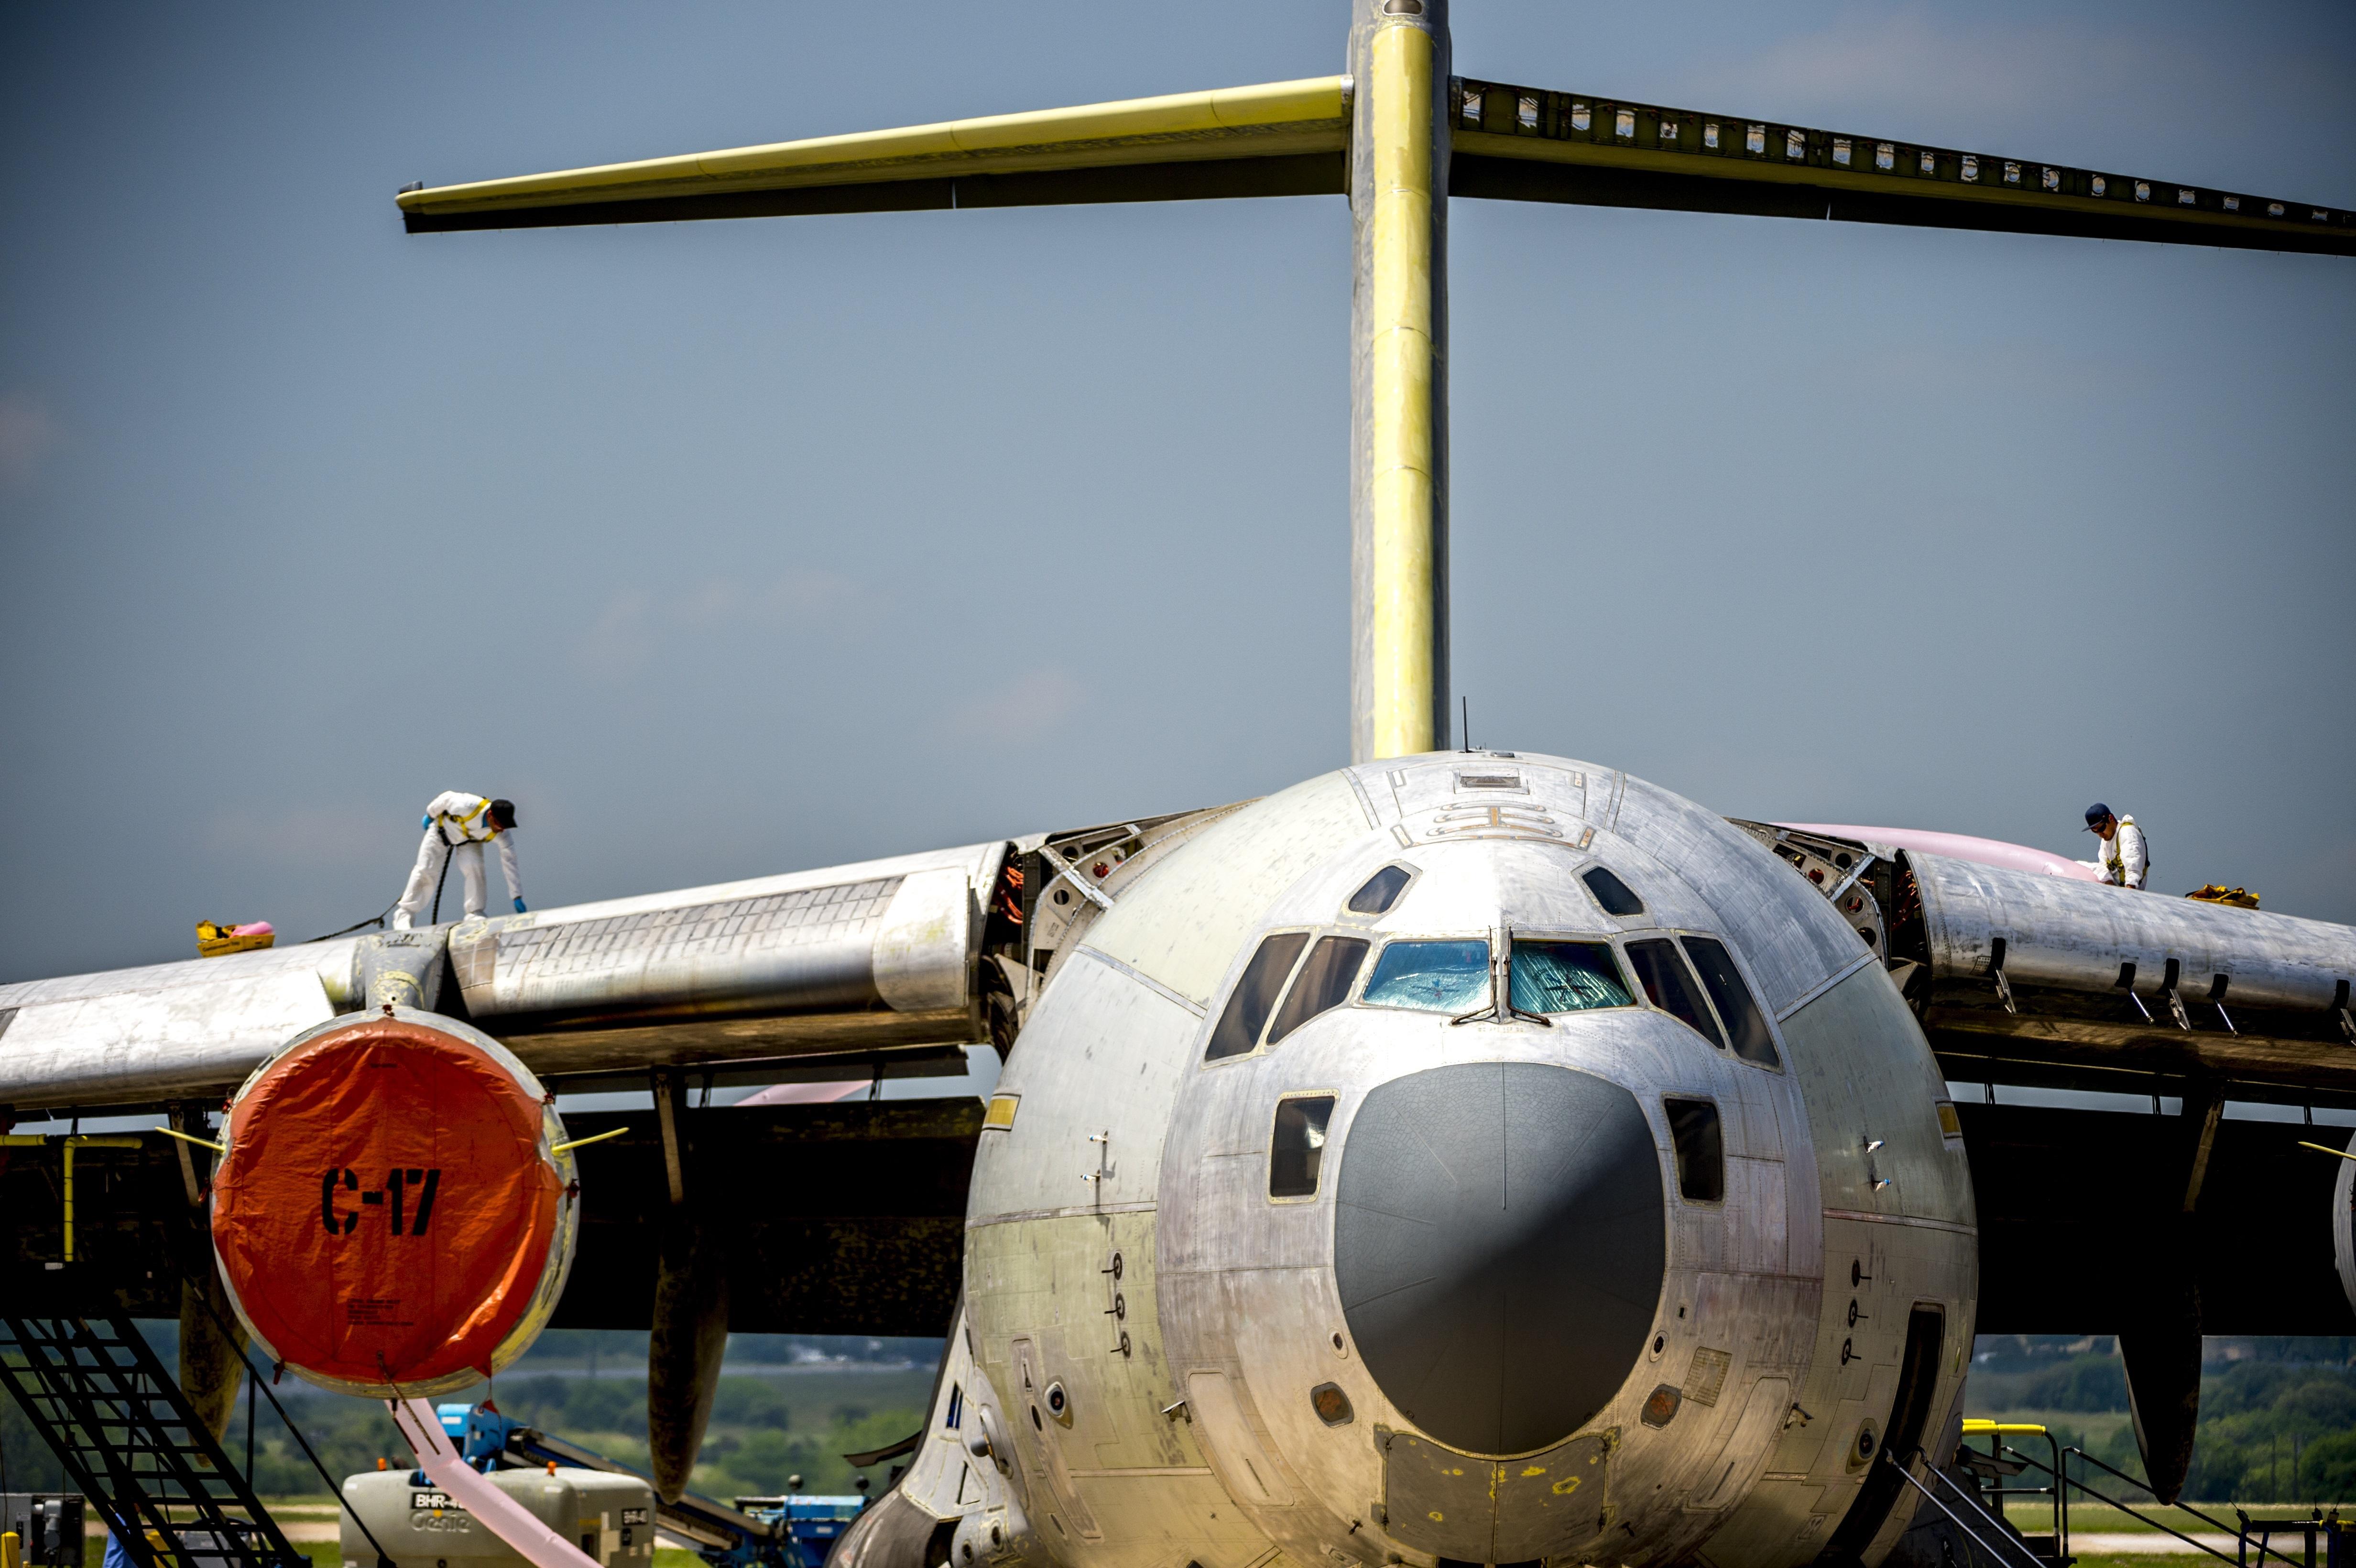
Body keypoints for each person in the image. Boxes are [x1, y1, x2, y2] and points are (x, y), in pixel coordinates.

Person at [393, 792, 524, 928]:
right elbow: (446, 798)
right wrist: (430, 815)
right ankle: (405, 915)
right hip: (442, 832)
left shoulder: (503, 834)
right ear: (490, 815)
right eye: (499, 824)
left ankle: (474, 913)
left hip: (469, 841)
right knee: (426, 870)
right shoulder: (467, 805)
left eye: (505, 826)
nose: (501, 829)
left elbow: (510, 863)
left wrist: (517, 896)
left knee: (475, 867)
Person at [2080, 802, 2148, 890]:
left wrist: (2129, 892)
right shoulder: (2106, 840)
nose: (2100, 834)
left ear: (2111, 819)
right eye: (2095, 831)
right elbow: (2102, 867)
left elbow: (2133, 868)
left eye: (2101, 829)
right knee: (2079, 865)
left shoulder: (2127, 833)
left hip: (2129, 890)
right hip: (2113, 889)